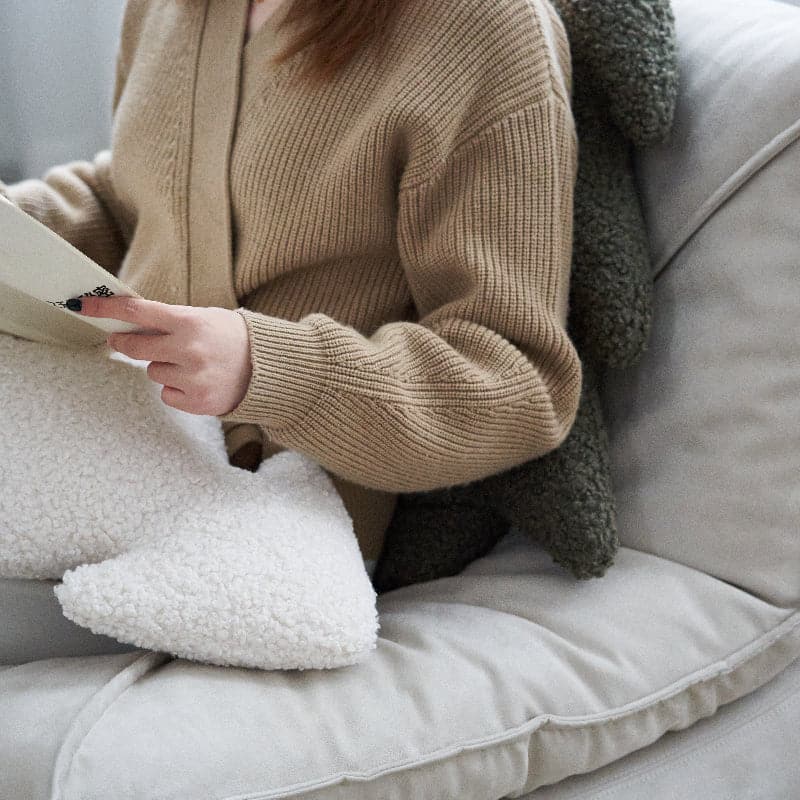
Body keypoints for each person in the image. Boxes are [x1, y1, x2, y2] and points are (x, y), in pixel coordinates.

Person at [0, 0, 582, 581]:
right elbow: (141, 202)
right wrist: (16, 222)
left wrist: (269, 369)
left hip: (275, 519)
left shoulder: (484, 27)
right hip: (109, 426)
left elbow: (518, 380)